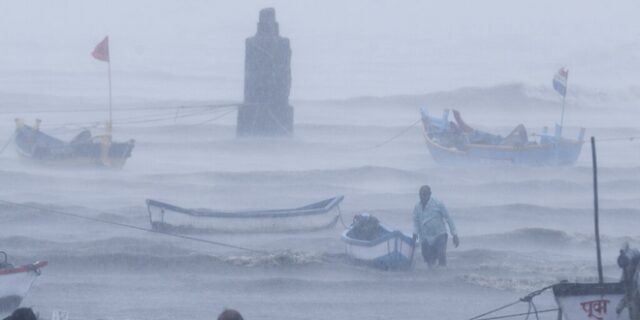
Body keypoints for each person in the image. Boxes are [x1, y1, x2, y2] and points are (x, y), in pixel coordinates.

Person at [412, 185, 459, 267]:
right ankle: (433, 278)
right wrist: (415, 233)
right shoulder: (417, 207)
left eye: (424, 195)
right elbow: (415, 221)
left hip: (440, 235)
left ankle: (443, 275)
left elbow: (448, 218)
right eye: (420, 195)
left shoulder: (438, 204)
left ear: (429, 194)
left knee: (441, 257)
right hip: (425, 238)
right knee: (429, 261)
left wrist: (454, 234)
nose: (422, 197)